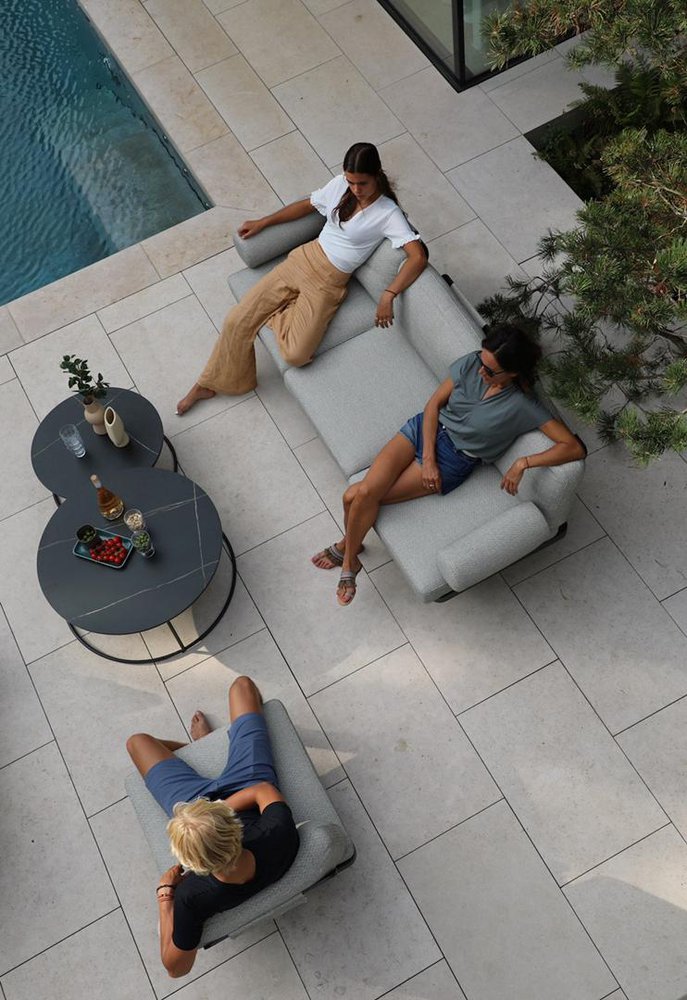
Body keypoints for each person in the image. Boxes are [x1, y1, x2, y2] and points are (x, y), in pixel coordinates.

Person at [311, 324, 587, 605]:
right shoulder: (471, 363)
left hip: (453, 459)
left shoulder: (522, 406)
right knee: (361, 494)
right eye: (482, 361)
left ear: (513, 372)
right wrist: (428, 459)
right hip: (423, 430)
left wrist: (524, 462)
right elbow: (433, 405)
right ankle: (350, 556)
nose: (481, 371)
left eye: (490, 370)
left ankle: (347, 556)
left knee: (354, 496)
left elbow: (573, 448)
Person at [176, 141, 427, 415]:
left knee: (297, 355)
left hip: (328, 282)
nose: (355, 189)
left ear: (377, 174)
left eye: (362, 183)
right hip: (303, 259)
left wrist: (389, 294)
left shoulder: (388, 212)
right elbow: (307, 205)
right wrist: (264, 222)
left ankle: (274, 311)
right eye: (351, 181)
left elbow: (417, 257)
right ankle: (206, 384)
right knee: (235, 320)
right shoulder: (339, 185)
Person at [126, 676, 299, 979]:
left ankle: (199, 749)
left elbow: (175, 968)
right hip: (242, 790)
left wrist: (165, 896)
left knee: (136, 742)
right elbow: (261, 791)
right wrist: (215, 813)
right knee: (242, 686)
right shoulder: (276, 833)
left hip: (199, 806)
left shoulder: (191, 897)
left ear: (193, 864)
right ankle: (203, 745)